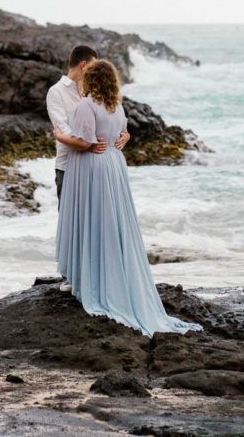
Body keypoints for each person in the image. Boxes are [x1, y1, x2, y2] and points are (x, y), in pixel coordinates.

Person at [53, 59, 201, 337]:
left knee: (93, 219)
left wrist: (61, 136)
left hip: (93, 166)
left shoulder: (87, 105)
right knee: (109, 220)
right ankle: (105, 273)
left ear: (92, 80)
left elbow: (86, 143)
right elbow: (116, 135)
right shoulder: (116, 106)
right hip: (113, 163)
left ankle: (93, 280)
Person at [46, 45, 128, 203]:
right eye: (92, 66)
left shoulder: (91, 91)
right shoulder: (56, 92)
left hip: (94, 167)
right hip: (69, 165)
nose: (94, 71)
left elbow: (108, 119)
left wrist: (124, 135)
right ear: (83, 65)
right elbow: (62, 128)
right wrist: (88, 143)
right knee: (71, 221)